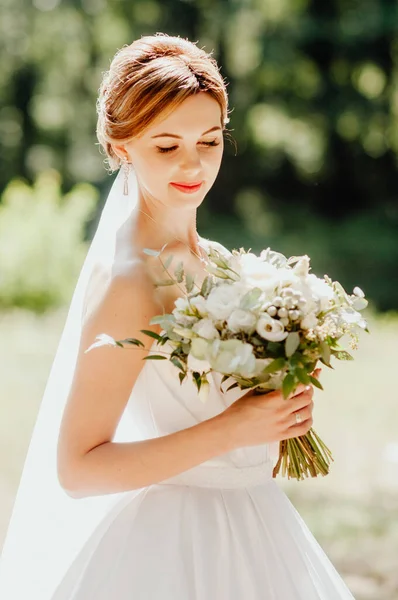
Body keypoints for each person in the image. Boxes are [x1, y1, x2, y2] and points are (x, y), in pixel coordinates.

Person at [0, 33, 356, 599]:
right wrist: (232, 428)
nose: (193, 164)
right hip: (171, 547)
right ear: (122, 148)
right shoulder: (130, 281)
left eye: (209, 141)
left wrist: (281, 397)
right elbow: (78, 468)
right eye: (166, 147)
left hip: (257, 528)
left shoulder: (213, 259)